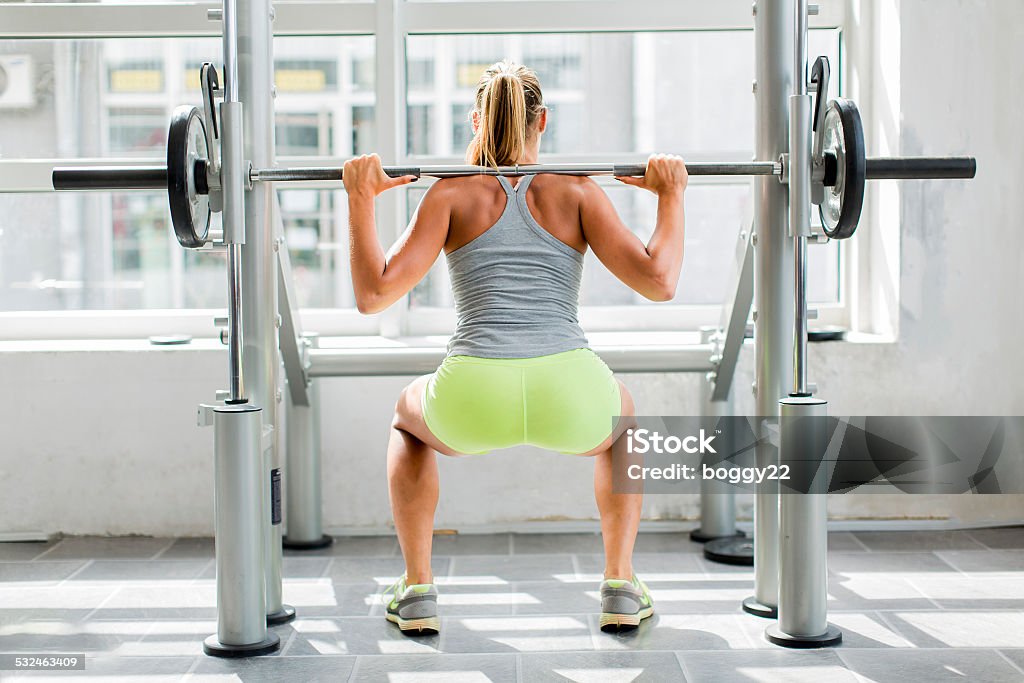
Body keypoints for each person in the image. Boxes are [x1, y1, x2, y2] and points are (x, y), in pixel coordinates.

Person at [343, 60, 688, 635]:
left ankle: (418, 590)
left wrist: (360, 198)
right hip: (569, 392)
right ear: (542, 122)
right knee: (623, 419)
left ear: (475, 122)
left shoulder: (449, 195)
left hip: (471, 395)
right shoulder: (578, 191)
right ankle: (622, 583)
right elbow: (660, 281)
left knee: (407, 422)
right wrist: (670, 195)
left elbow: (374, 294)